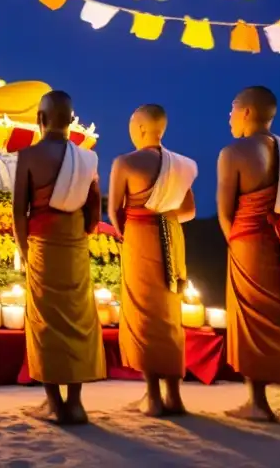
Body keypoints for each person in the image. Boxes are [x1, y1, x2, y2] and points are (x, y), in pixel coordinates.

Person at [218, 86, 280, 426]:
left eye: (232, 109)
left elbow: (225, 212)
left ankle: (258, 403)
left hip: (248, 242)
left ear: (246, 111)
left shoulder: (234, 152)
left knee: (252, 321)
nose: (229, 116)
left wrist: (236, 245)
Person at [14, 91, 105, 425]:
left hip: (41, 243)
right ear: (71, 120)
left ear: (40, 120)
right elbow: (94, 212)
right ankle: (76, 403)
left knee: (46, 321)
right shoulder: (86, 159)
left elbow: (18, 211)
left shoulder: (29, 155)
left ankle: (54, 402)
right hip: (75, 246)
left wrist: (24, 251)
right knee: (78, 319)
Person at [109, 104, 197, 417]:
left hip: (139, 237)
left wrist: (129, 233)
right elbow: (189, 211)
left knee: (145, 313)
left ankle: (154, 397)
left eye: (132, 125)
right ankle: (175, 396)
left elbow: (114, 211)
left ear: (142, 128)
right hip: (172, 239)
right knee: (170, 314)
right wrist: (163, 213)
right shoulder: (182, 165)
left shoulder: (125, 162)